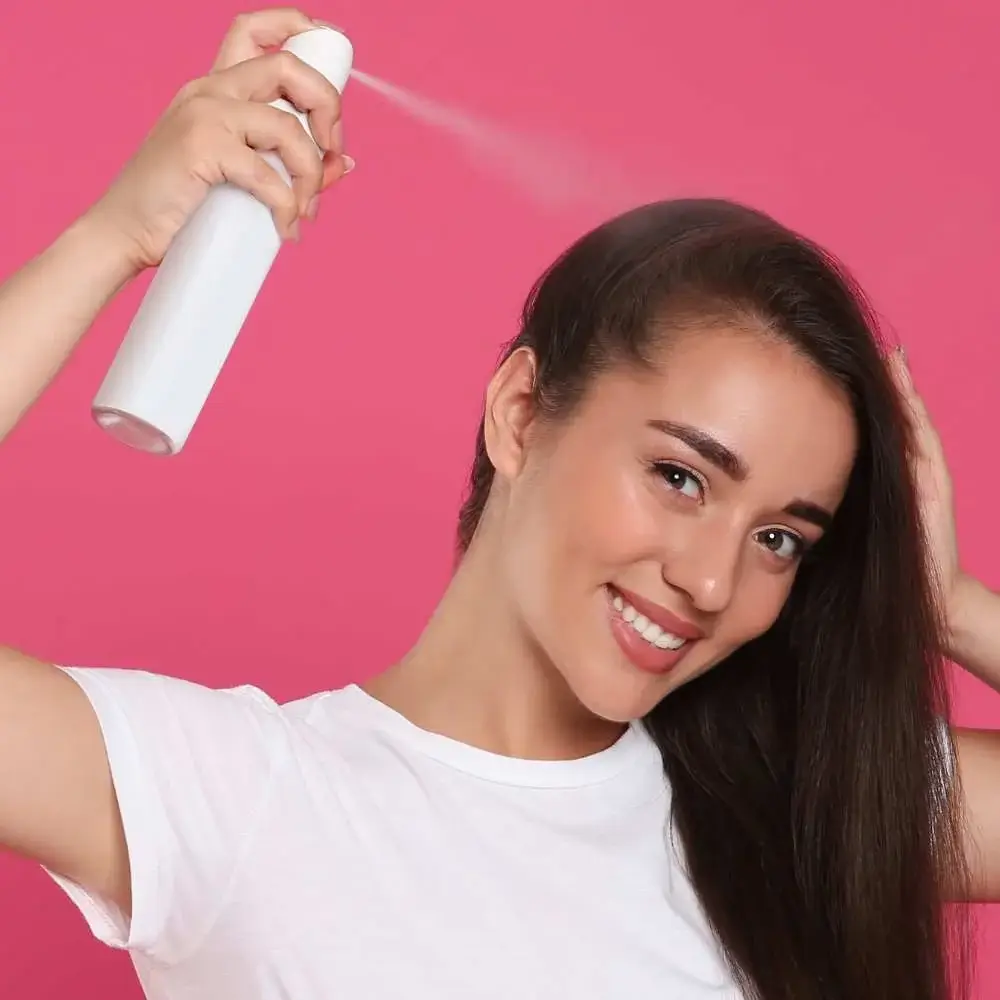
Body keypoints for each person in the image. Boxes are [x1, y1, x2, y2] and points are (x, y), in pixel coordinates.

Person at [1, 7, 998, 1000]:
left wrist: (946, 605)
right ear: (520, 411)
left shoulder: (792, 800)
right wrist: (114, 236)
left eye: (779, 537)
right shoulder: (235, 793)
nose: (708, 579)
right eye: (680, 477)